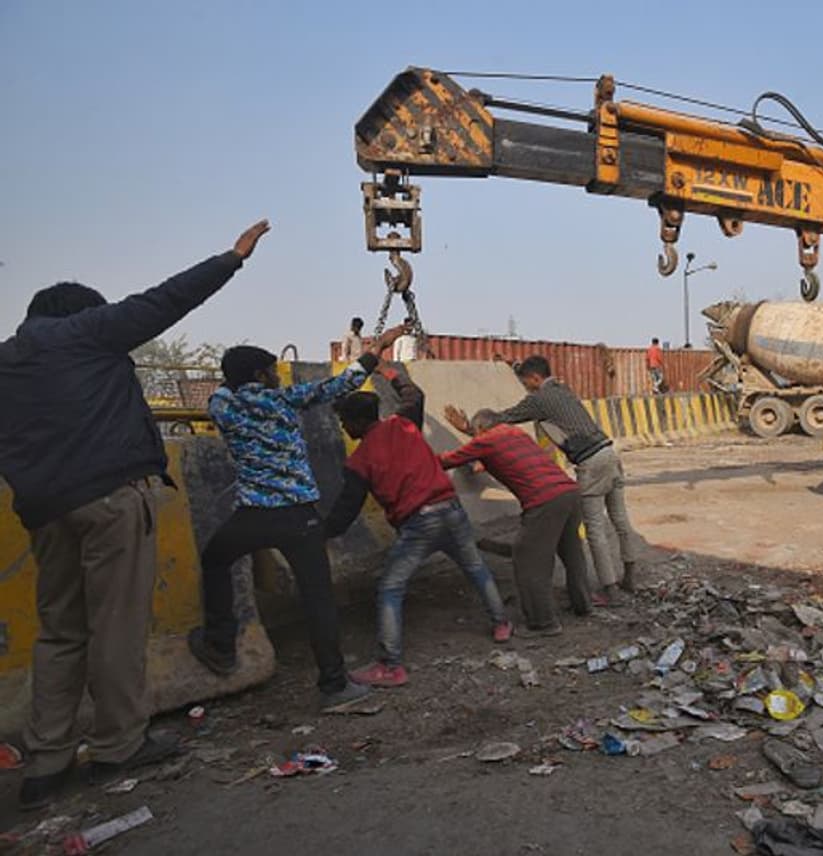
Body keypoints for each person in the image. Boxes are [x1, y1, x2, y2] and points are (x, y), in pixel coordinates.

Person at [0, 219, 271, 811]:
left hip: (44, 513)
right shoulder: (85, 333)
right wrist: (232, 258)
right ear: (78, 313)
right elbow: (163, 301)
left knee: (59, 632)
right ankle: (118, 745)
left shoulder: (7, 360)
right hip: (110, 499)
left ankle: (45, 763)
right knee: (116, 627)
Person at [186, 324, 405, 711]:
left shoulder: (222, 405)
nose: (275, 375)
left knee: (215, 560)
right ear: (259, 376)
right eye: (270, 370)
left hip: (252, 514)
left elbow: (222, 390)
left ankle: (220, 644)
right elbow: (344, 383)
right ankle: (334, 685)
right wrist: (379, 348)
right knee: (317, 596)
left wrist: (232, 380)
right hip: (298, 516)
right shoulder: (285, 400)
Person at [325, 371, 512, 688]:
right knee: (476, 568)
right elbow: (416, 396)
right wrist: (392, 372)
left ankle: (390, 665)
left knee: (390, 589)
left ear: (356, 423)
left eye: (345, 421)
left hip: (418, 524)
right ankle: (502, 623)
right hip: (452, 511)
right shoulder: (404, 423)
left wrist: (320, 532)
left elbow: (345, 510)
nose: (344, 427)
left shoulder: (359, 461)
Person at [446, 355, 641, 602]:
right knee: (621, 521)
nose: (525, 388)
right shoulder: (561, 388)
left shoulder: (539, 400)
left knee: (594, 529)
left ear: (535, 379)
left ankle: (610, 589)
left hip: (590, 462)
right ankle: (630, 578)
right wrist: (514, 365)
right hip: (609, 452)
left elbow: (501, 419)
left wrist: (467, 429)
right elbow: (530, 376)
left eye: (526, 383)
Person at [440, 409, 592, 635]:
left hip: (544, 501)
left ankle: (543, 623)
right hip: (569, 492)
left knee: (527, 559)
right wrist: (470, 432)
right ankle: (583, 604)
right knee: (572, 553)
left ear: (480, 429)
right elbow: (490, 458)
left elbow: (447, 461)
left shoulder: (485, 441)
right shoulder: (515, 433)